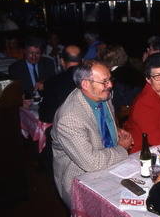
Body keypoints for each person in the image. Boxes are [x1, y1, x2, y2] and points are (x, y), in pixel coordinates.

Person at [51, 59, 133, 208]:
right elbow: (92, 163)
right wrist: (122, 148)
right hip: (80, 179)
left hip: (109, 166)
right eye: (104, 81)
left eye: (110, 79)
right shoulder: (69, 118)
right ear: (85, 84)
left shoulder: (101, 95)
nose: (110, 85)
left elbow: (104, 121)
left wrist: (115, 130)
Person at [99, 43, 144, 120]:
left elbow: (112, 105)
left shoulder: (112, 78)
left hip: (122, 117)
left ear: (106, 60)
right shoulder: (136, 72)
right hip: (140, 113)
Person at [39, 45, 82, 123]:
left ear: (62, 61)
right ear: (82, 60)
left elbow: (46, 116)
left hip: (63, 129)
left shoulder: (52, 82)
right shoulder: (91, 79)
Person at [8, 36, 56, 101]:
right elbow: (13, 92)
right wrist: (20, 101)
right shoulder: (15, 68)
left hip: (47, 101)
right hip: (28, 103)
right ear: (24, 51)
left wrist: (44, 82)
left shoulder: (48, 63)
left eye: (38, 53)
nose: (34, 57)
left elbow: (55, 81)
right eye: (31, 53)